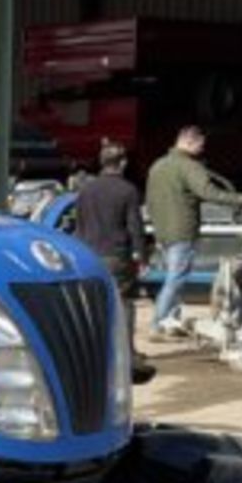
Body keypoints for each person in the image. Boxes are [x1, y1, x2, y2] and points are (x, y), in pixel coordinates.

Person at [145, 124, 242, 336]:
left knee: (173, 276)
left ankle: (170, 322)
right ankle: (158, 324)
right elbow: (210, 193)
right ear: (189, 141)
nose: (202, 150)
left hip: (163, 231)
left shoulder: (157, 166)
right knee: (176, 279)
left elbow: (150, 200)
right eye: (200, 145)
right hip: (183, 231)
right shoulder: (189, 167)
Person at [72, 141, 155, 383]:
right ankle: (126, 352)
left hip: (88, 253)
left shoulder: (85, 190)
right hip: (116, 255)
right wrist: (141, 255)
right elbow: (134, 226)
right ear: (123, 163)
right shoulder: (127, 190)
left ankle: (92, 351)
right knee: (125, 304)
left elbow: (80, 222)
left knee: (92, 304)